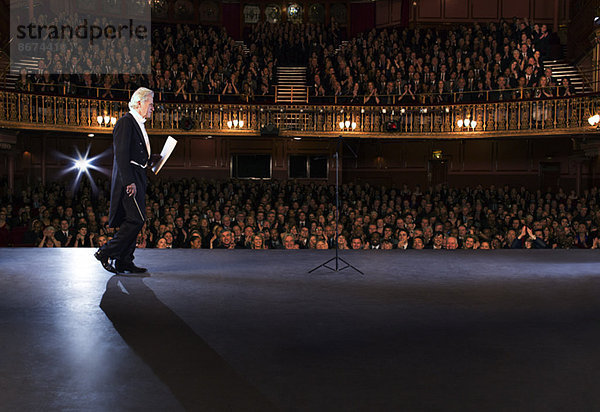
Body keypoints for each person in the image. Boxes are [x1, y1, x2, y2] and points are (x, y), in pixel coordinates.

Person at [95, 87, 159, 274]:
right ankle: (105, 252)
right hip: (129, 178)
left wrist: (151, 159)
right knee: (137, 219)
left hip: (138, 175)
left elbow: (135, 153)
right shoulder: (126, 122)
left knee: (134, 219)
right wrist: (129, 181)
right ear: (139, 103)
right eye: (150, 104)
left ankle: (124, 261)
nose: (153, 108)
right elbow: (121, 154)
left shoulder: (137, 123)